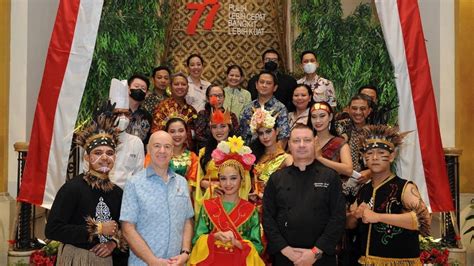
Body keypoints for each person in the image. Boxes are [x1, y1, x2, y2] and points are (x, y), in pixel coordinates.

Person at [45, 113, 126, 265]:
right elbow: (53, 229)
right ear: (87, 157)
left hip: (107, 260)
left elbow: (124, 227)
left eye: (109, 153)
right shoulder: (72, 188)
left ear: (115, 157)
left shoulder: (118, 193)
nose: (104, 158)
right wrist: (98, 228)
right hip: (76, 258)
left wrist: (114, 243)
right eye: (97, 153)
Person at [262, 124, 346, 265]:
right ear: (289, 144)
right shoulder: (276, 178)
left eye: (307, 140)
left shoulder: (330, 177)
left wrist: (315, 253)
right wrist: (286, 250)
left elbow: (338, 218)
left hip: (321, 257)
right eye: (296, 141)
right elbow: (268, 218)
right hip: (286, 257)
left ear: (315, 143)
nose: (301, 145)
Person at [347, 125, 430, 265]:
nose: (374, 157)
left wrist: (378, 217)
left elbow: (424, 219)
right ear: (363, 157)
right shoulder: (364, 190)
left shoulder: (404, 187)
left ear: (392, 156)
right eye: (369, 153)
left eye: (381, 152)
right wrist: (355, 215)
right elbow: (348, 225)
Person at [120, 131, 194, 265]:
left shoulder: (182, 183)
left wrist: (185, 253)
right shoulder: (134, 183)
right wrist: (152, 261)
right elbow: (127, 228)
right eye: (157, 146)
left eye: (167, 146)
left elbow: (187, 220)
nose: (162, 151)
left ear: (172, 151)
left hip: (176, 263)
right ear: (148, 149)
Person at [188, 136, 264, 265]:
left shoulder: (250, 210)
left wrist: (237, 243)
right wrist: (214, 237)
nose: (228, 184)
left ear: (242, 179)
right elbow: (197, 240)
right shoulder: (208, 206)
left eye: (233, 178)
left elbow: (258, 247)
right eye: (223, 179)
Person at [250, 106, 293, 208]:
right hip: (254, 208)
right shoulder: (254, 157)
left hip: (276, 207)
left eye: (268, 131)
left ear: (277, 131)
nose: (265, 137)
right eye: (261, 133)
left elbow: (292, 187)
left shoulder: (287, 159)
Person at [194, 109, 236, 213]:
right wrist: (210, 185)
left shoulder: (238, 150)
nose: (218, 131)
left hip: (232, 200)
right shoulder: (204, 152)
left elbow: (245, 182)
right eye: (214, 127)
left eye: (223, 126)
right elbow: (199, 180)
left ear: (229, 128)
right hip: (210, 199)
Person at [107, 78, 144, 189]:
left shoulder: (136, 142)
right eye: (117, 114)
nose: (122, 118)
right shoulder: (97, 140)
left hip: (126, 195)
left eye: (125, 113)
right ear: (109, 115)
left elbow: (139, 175)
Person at [335, 94, 373, 201]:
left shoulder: (375, 132)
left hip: (364, 183)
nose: (358, 112)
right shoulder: (337, 127)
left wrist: (370, 172)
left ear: (369, 111)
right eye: (354, 108)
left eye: (363, 109)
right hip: (337, 182)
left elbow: (385, 160)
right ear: (348, 109)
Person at [240, 70, 290, 147]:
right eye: (262, 82)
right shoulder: (248, 108)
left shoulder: (280, 108)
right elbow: (242, 135)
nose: (264, 85)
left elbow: (283, 137)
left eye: (268, 83)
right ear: (256, 85)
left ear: (275, 88)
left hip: (271, 155)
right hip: (249, 155)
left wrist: (276, 157)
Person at [308, 102, 353, 187]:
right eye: (314, 117)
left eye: (322, 116)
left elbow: (348, 170)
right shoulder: (306, 141)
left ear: (330, 117)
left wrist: (320, 158)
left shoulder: (340, 143)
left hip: (330, 188)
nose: (318, 120)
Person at [151, 72, 198, 149]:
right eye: (176, 84)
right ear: (170, 87)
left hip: (188, 154)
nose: (180, 87)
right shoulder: (162, 108)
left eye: (183, 84)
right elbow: (156, 134)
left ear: (188, 88)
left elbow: (195, 137)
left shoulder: (191, 111)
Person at [194, 84, 239, 150]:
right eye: (213, 96)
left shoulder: (231, 115)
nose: (217, 99)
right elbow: (199, 136)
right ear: (207, 98)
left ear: (224, 97)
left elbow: (235, 135)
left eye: (220, 96)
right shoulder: (203, 114)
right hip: (207, 150)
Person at [125, 74, 153, 145]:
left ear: (146, 94)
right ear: (128, 89)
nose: (139, 89)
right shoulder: (116, 110)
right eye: (136, 86)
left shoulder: (147, 117)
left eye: (143, 88)